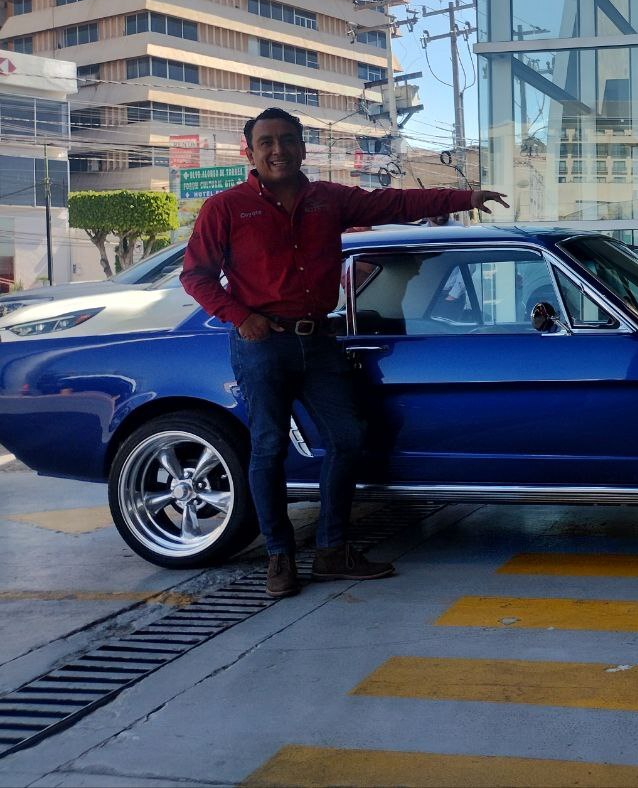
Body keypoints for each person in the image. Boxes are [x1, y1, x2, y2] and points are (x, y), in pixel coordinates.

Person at [181, 107, 508, 598]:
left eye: (288, 140)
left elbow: (393, 203)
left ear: (303, 147)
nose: (278, 150)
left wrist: (466, 196)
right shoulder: (225, 208)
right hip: (262, 344)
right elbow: (196, 276)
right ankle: (279, 556)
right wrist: (241, 318)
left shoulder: (326, 200)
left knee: (349, 438)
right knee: (267, 447)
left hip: (320, 341)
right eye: (267, 142)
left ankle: (332, 551)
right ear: (249, 152)